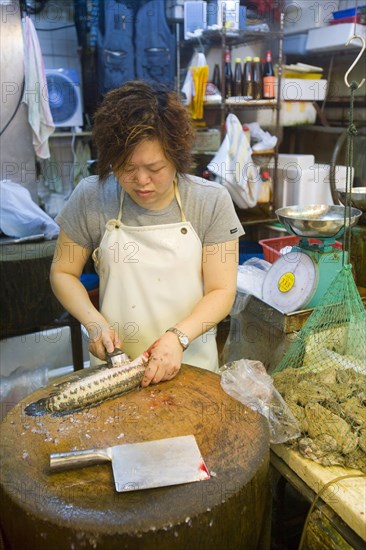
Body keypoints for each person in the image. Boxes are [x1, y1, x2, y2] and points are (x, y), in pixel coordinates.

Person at [50, 80, 244, 387]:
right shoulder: (92, 196)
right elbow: (63, 272)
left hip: (191, 369)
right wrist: (95, 323)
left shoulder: (210, 201)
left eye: (155, 168)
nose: (142, 181)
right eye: (126, 167)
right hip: (114, 372)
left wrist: (178, 338)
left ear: (177, 156)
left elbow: (222, 291)